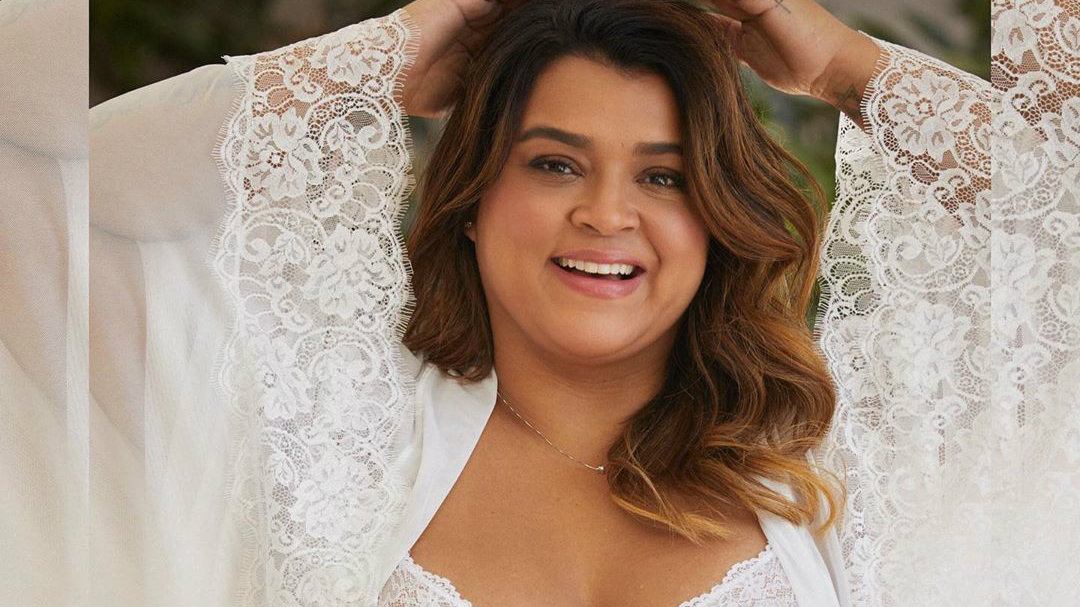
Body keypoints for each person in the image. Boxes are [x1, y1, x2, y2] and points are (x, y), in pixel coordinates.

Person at [4, 0, 1078, 605]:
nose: (605, 213)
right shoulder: (319, 441)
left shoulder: (837, 476)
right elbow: (33, 188)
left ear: (717, 217)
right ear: (474, 200)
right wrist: (397, 47)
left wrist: (846, 66)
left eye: (664, 175)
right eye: (555, 163)